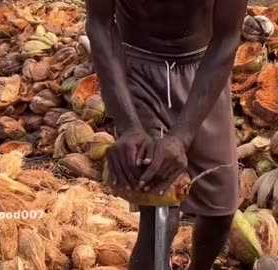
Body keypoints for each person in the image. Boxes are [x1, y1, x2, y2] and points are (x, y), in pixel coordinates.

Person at [85, 1, 249, 269]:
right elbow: (100, 24)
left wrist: (182, 136)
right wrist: (127, 126)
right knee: (159, 216)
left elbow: (227, 38)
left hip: (203, 71)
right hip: (137, 70)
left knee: (221, 212)